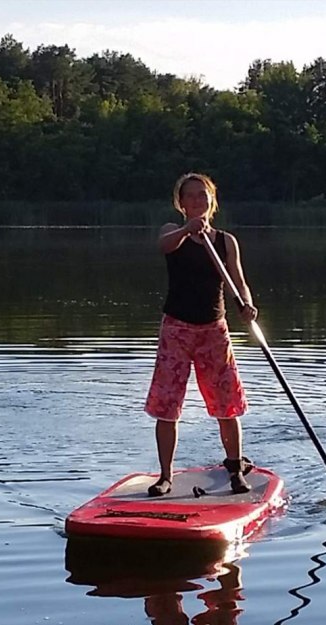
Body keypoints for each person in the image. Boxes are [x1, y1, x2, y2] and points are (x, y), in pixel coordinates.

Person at [144, 173, 259, 497]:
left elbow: (238, 279)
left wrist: (247, 304)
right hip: (177, 329)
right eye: (190, 197)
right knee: (167, 406)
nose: (197, 201)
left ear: (212, 202)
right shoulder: (172, 232)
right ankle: (165, 476)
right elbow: (165, 245)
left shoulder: (226, 241)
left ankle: (235, 468)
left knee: (227, 404)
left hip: (213, 330)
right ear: (181, 204)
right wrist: (186, 230)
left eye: (202, 196)